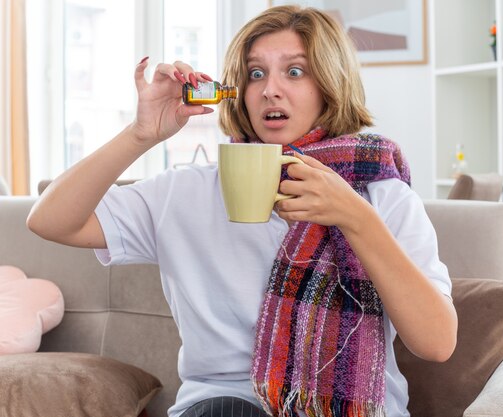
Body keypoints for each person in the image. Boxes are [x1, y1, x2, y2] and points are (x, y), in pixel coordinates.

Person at [27, 5, 457, 417]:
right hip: (223, 406)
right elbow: (49, 220)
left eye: (295, 71)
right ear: (240, 91)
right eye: (256, 73)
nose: (270, 88)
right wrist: (140, 134)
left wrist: (355, 218)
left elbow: (438, 343)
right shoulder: (185, 193)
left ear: (330, 83)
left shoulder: (381, 195)